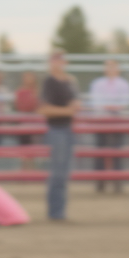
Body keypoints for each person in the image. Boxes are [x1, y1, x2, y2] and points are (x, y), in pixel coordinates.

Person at [38, 49, 80, 221]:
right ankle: (55, 212)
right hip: (57, 130)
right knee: (58, 172)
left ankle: (59, 211)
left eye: (60, 59)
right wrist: (68, 111)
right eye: (55, 60)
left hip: (67, 129)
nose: (58, 63)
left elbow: (76, 103)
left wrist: (72, 108)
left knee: (63, 172)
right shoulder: (49, 82)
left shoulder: (70, 81)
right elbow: (44, 109)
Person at [89, 59, 129, 193]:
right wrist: (111, 107)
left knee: (117, 152)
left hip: (117, 121)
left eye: (113, 66)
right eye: (108, 66)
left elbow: (126, 101)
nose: (111, 69)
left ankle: (117, 183)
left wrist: (114, 107)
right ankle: (100, 183)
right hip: (101, 121)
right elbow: (95, 101)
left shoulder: (124, 84)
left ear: (118, 69)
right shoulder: (97, 84)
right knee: (100, 153)